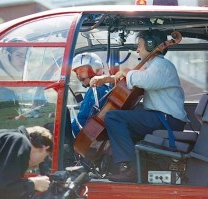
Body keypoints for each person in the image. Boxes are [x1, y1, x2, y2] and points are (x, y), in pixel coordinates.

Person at [89, 29, 188, 182]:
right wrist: (108, 79)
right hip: (162, 118)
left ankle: (129, 168)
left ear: (151, 45)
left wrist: (126, 72)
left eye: (140, 46)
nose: (137, 49)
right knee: (122, 128)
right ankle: (135, 167)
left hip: (167, 120)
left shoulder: (162, 65)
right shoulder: (153, 66)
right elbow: (134, 78)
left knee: (113, 117)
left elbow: (143, 80)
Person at [70, 52, 110, 137]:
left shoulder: (96, 90)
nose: (79, 76)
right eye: (77, 73)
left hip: (82, 135)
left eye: (81, 71)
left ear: (95, 69)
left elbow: (83, 120)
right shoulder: (103, 89)